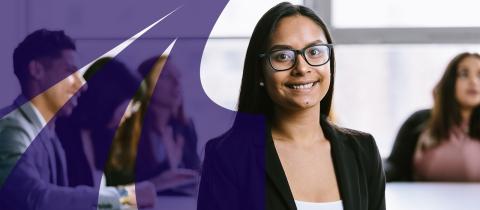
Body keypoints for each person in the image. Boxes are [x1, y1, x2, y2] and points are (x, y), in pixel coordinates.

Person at [197, 2, 385, 210]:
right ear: (260, 72)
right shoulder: (228, 155)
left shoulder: (362, 150)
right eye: (283, 56)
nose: (302, 68)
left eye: (314, 51)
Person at [0, 29, 117, 210]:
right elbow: (36, 199)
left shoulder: (48, 132)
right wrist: (119, 198)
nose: (83, 85)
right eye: (71, 72)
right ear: (36, 70)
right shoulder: (9, 129)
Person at [55, 57, 156, 208]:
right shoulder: (61, 134)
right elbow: (72, 199)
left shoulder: (102, 135)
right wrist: (129, 197)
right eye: (127, 108)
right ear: (106, 100)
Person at [385, 52, 480, 182]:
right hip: (419, 201)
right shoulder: (418, 121)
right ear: (450, 82)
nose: (474, 81)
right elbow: (394, 167)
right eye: (464, 74)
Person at [133, 55, 200, 195]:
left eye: (178, 76)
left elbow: (195, 170)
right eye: (166, 76)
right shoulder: (129, 131)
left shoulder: (185, 128)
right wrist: (155, 184)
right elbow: (111, 195)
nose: (176, 82)